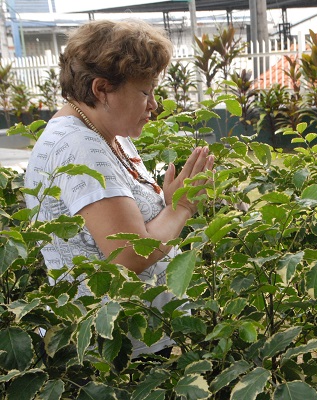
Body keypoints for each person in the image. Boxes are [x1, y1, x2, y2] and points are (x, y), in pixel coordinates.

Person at [24, 19, 214, 358]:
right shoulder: (80, 146)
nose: (154, 105)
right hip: (111, 350)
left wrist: (167, 204)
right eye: (145, 92)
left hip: (134, 339)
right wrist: (181, 208)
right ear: (101, 89)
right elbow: (128, 255)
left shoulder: (107, 133)